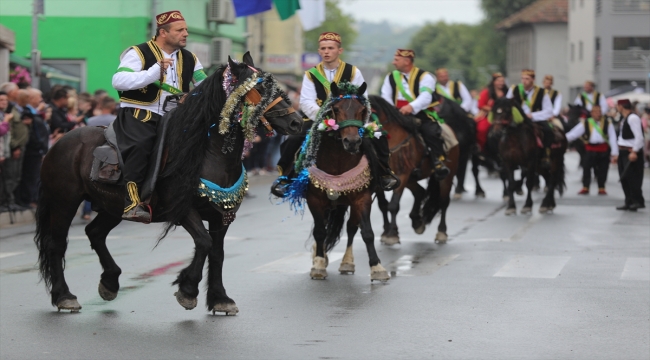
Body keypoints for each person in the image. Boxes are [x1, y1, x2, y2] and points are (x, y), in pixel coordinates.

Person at [271, 32, 398, 197]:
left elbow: (363, 100)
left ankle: (384, 174)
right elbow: (306, 102)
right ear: (319, 51)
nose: (326, 51)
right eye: (323, 48)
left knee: (378, 136)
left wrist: (357, 120)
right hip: (319, 119)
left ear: (339, 50)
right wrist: (324, 116)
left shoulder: (353, 72)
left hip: (351, 119)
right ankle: (285, 178)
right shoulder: (311, 74)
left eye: (330, 48)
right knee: (294, 139)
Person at [111, 10, 207, 223]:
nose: (186, 34)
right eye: (180, 30)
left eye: (186, 30)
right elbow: (119, 80)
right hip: (141, 113)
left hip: (175, 117)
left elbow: (204, 86)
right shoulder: (138, 52)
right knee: (140, 145)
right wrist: (152, 73)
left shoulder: (190, 58)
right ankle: (133, 202)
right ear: (163, 33)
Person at [380, 49, 450, 180]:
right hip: (396, 115)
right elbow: (386, 96)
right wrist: (393, 110)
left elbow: (426, 96)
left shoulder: (425, 77)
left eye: (396, 60)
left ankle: (437, 161)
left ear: (407, 61)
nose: (393, 62)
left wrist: (411, 107)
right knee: (377, 133)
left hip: (420, 113)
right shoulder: (390, 76)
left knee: (431, 132)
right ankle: (379, 164)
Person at [506, 69, 555, 168]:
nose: (524, 81)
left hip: (534, 119)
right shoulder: (514, 89)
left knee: (548, 131)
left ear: (533, 79)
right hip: (517, 119)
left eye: (527, 79)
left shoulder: (542, 92)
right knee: (502, 131)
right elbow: (506, 104)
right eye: (523, 78)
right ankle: (503, 155)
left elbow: (549, 110)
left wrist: (533, 115)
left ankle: (546, 154)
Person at [565, 105, 618, 195]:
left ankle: (601, 187)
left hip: (603, 149)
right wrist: (563, 139)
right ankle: (586, 187)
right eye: (596, 112)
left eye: (599, 112)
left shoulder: (607, 123)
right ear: (591, 113)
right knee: (586, 168)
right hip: (590, 149)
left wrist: (614, 152)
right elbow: (574, 134)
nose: (598, 114)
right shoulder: (585, 123)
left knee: (603, 169)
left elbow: (613, 137)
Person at [613, 99, 645, 211]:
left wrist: (635, 151)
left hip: (630, 151)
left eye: (617, 105)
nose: (616, 107)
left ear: (621, 106)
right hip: (623, 151)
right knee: (624, 178)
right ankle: (629, 201)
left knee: (633, 178)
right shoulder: (624, 119)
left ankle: (637, 201)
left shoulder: (633, 118)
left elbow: (639, 137)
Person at [475, 72, 508, 152]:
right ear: (494, 82)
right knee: (481, 129)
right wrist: (492, 110)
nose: (501, 83)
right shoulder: (486, 92)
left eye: (502, 81)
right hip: (489, 116)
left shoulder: (507, 92)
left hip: (504, 116)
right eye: (499, 81)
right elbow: (481, 105)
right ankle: (481, 148)